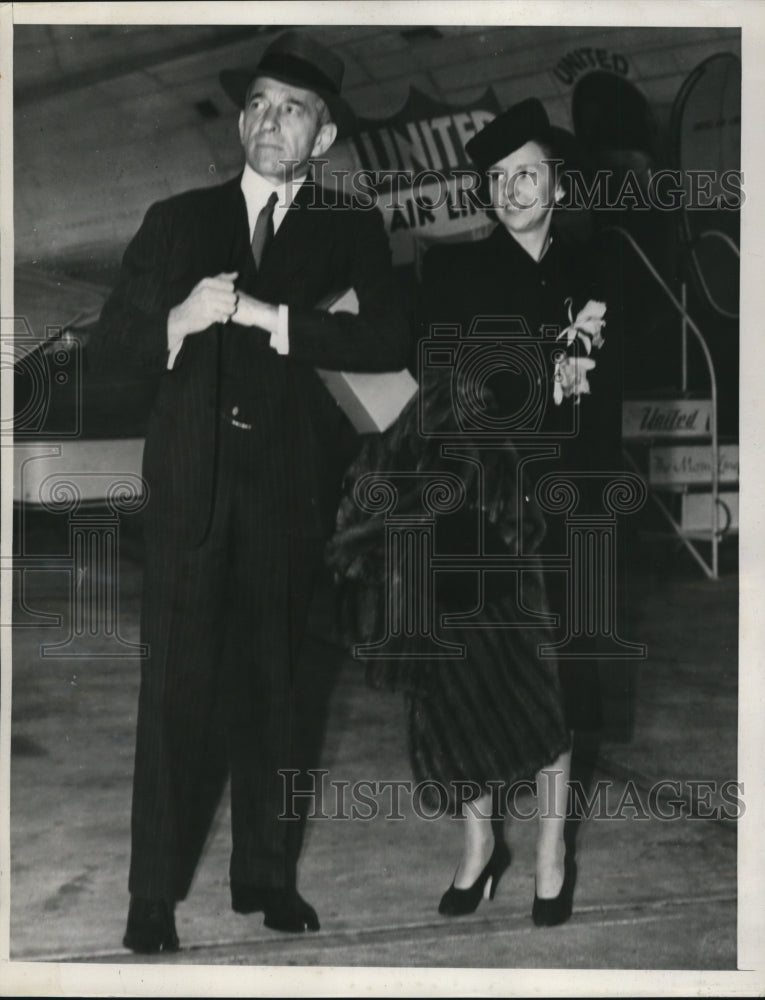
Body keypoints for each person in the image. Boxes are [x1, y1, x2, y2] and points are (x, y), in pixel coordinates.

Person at [91, 30, 409, 952]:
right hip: (189, 496)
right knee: (174, 697)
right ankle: (151, 893)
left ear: (323, 139)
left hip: (286, 495)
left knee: (274, 688)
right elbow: (107, 356)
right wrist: (178, 319)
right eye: (261, 104)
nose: (274, 122)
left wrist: (278, 321)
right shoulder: (176, 220)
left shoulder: (351, 230)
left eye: (295, 110)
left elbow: (385, 342)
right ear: (241, 121)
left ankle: (265, 879)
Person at [328, 98, 622, 927]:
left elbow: (607, 393)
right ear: (487, 195)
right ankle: (478, 845)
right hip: (478, 505)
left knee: (555, 675)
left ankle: (551, 854)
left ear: (556, 182)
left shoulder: (597, 270)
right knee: (458, 676)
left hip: (570, 502)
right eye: (497, 178)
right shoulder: (454, 274)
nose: (514, 187)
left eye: (527, 170)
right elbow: (455, 389)